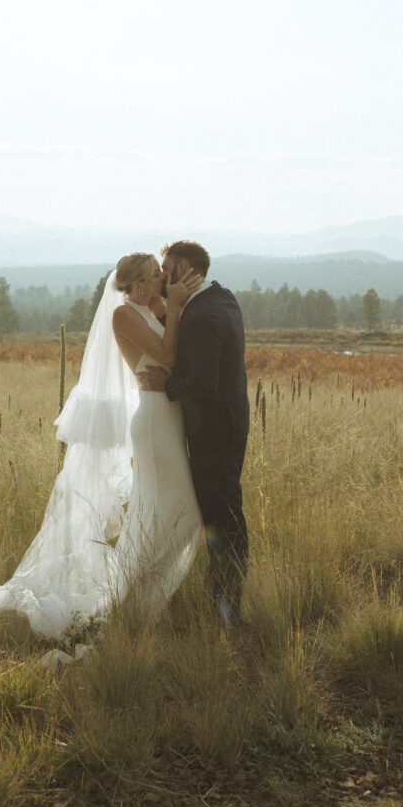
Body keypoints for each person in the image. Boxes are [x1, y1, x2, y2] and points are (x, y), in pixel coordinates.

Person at [0, 253, 202, 642]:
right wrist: (174, 307)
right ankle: (129, 602)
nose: (163, 278)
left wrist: (170, 305)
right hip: (155, 423)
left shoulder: (152, 305)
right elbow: (169, 355)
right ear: (137, 285)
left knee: (168, 512)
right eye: (156, 275)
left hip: (169, 422)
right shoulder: (123, 315)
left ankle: (139, 601)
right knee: (178, 511)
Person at [139, 241, 249, 625]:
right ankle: (223, 605)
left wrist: (164, 385)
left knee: (223, 521)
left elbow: (202, 382)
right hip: (228, 425)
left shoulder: (202, 315)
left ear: (183, 268)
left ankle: (226, 612)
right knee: (225, 518)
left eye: (165, 267)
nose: (162, 274)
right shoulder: (221, 298)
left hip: (214, 433)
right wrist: (171, 310)